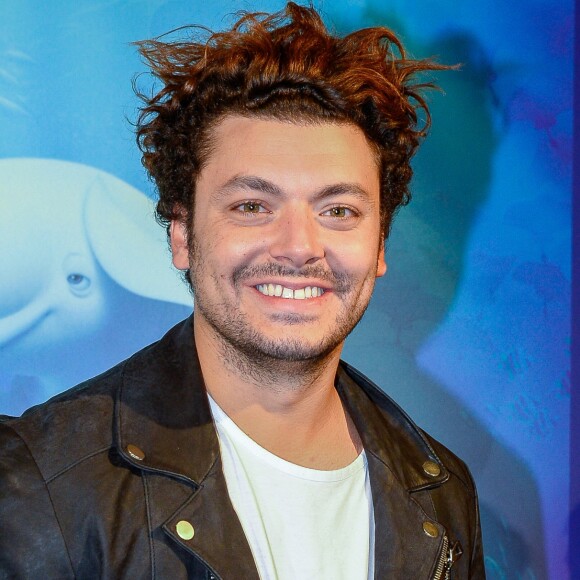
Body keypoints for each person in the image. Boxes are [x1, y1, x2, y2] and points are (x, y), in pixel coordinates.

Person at [0, 3, 485, 578]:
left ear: (379, 246)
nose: (300, 246)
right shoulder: (40, 483)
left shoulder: (441, 492)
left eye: (339, 209)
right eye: (253, 206)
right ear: (182, 235)